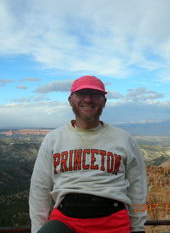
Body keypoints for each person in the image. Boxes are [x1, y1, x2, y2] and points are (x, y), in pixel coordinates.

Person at [29, 75, 147, 233]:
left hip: (113, 222)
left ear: (104, 101)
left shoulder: (124, 139)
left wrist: (138, 228)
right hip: (65, 221)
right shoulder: (54, 139)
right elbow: (39, 188)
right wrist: (38, 229)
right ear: (70, 100)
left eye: (95, 94)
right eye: (82, 94)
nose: (88, 99)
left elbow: (137, 188)